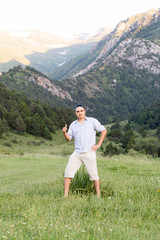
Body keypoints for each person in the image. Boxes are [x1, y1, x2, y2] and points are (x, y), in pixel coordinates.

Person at [62, 104, 107, 198]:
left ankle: (98, 196)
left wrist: (98, 144)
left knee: (94, 175)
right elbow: (68, 138)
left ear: (84, 112)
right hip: (77, 153)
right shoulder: (73, 124)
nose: (80, 113)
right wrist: (64, 133)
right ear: (75, 113)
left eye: (81, 111)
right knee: (67, 173)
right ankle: (65, 196)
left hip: (89, 152)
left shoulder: (92, 121)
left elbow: (103, 130)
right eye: (77, 111)